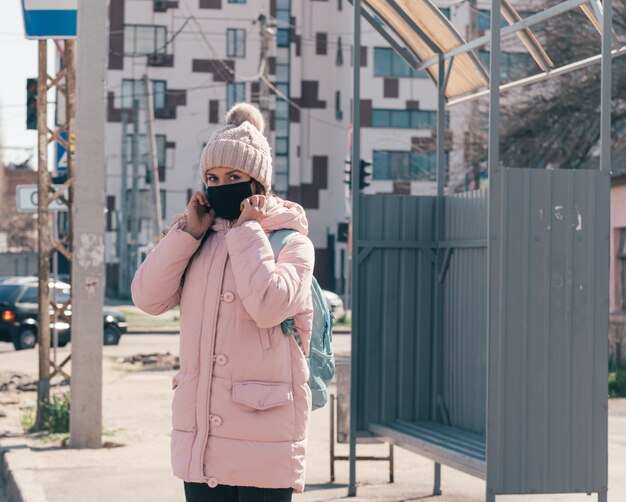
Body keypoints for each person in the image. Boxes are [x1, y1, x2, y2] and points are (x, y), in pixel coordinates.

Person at [131, 103, 315, 502]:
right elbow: (147, 298)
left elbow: (269, 305)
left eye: (235, 176)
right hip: (202, 442)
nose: (222, 185)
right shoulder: (199, 243)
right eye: (213, 177)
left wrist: (248, 230)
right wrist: (185, 234)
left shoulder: (291, 242)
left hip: (264, 443)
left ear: (259, 183)